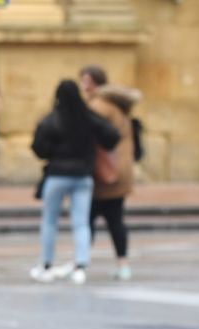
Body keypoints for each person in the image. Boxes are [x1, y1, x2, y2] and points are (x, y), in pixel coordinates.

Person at [29, 79, 119, 284]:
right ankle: (80, 266)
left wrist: (54, 151)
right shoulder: (88, 117)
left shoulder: (52, 119)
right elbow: (112, 135)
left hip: (57, 175)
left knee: (50, 221)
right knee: (81, 222)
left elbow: (38, 147)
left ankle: (46, 264)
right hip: (83, 176)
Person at [79, 65, 141, 281]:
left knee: (87, 220)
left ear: (95, 83)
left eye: (86, 82)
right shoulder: (116, 105)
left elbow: (87, 136)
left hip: (103, 173)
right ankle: (123, 264)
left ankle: (81, 264)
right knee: (115, 220)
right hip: (120, 170)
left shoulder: (98, 106)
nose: (83, 86)